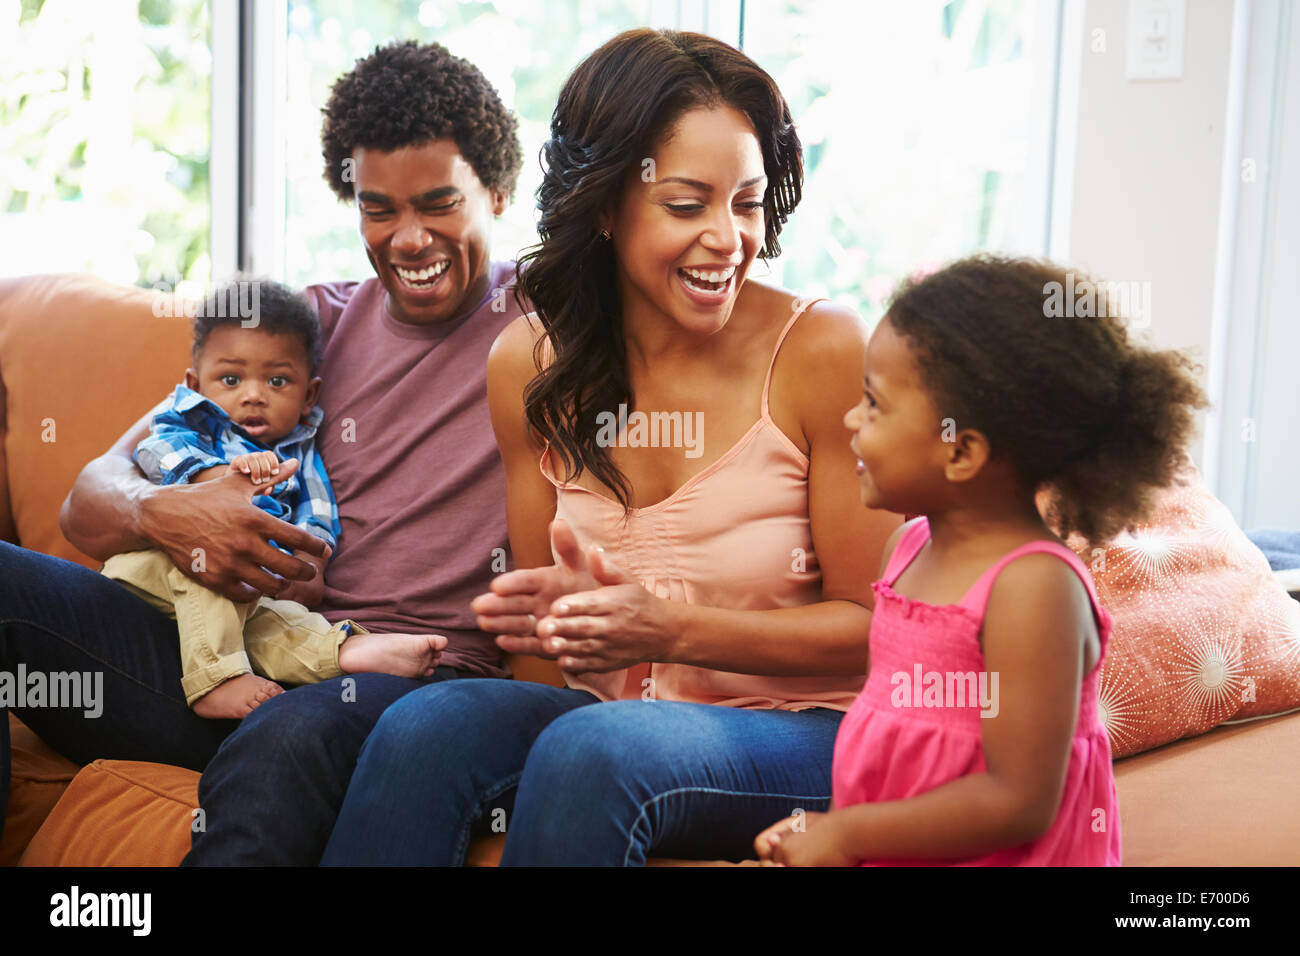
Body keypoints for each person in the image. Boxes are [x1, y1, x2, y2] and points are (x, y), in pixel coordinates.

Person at [319, 28, 901, 866]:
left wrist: (667, 628)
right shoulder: (529, 362)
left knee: (597, 751)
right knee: (425, 724)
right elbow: (535, 642)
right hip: (601, 722)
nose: (728, 238)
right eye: (686, 204)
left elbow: (876, 629)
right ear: (603, 205)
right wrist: (557, 623)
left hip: (801, 733)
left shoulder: (822, 353)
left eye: (745, 201)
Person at [0, 40, 525, 864]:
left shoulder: (546, 322)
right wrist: (165, 511)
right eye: (379, 209)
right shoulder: (305, 335)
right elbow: (89, 499)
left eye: (438, 203)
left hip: (399, 680)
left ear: (497, 191)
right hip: (218, 659)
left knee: (289, 731)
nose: (409, 238)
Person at [754, 255, 1208, 865]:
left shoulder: (1033, 589)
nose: (850, 420)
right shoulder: (905, 551)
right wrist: (825, 829)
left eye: (875, 404)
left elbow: (1019, 800)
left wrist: (848, 835)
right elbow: (895, 740)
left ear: (961, 451)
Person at [100, 279, 444, 720]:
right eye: (230, 378)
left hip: (243, 598)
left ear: (309, 395)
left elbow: (318, 508)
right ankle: (218, 678)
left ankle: (343, 652)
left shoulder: (299, 453)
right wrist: (210, 476)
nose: (253, 394)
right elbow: (155, 448)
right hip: (153, 575)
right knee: (218, 555)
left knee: (271, 623)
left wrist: (310, 556)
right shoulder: (193, 422)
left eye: (277, 381)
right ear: (195, 384)